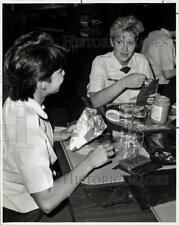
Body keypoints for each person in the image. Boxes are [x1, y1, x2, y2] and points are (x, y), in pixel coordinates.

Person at [3, 31, 114, 222]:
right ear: (42, 83)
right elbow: (47, 202)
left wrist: (55, 134)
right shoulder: (29, 130)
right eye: (60, 72)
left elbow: (17, 141)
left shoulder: (16, 98)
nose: (65, 73)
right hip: (20, 206)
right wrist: (90, 161)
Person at [87, 15, 154, 108]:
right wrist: (123, 83)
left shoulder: (142, 61)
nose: (125, 49)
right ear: (111, 42)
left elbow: (150, 95)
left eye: (130, 43)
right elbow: (95, 101)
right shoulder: (101, 62)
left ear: (136, 43)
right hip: (110, 115)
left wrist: (153, 99)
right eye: (119, 42)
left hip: (136, 115)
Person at [141, 14, 176, 104]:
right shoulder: (166, 40)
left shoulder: (152, 34)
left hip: (146, 83)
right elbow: (167, 74)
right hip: (160, 87)